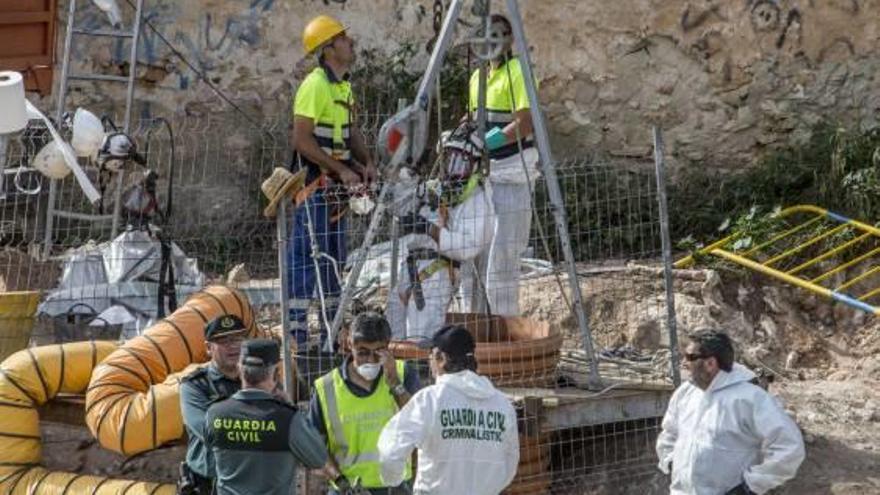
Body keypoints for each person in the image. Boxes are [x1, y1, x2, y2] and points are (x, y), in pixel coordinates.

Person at [289, 14, 377, 350]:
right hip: (314, 187)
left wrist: (366, 162)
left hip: (335, 190)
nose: (350, 42)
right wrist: (340, 170)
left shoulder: (342, 86)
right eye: (342, 38)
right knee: (306, 260)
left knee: (331, 262)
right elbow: (302, 141)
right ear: (328, 48)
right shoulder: (314, 86)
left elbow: (349, 133)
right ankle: (297, 339)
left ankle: (331, 335)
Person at [655, 329, 805, 495]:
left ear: (710, 363)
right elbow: (669, 432)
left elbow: (789, 447)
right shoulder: (685, 393)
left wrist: (750, 487)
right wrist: (670, 462)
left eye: (690, 357)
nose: (684, 362)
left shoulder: (750, 399)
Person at [378, 324, 519, 495]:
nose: (429, 363)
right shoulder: (502, 405)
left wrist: (394, 480)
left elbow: (390, 450)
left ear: (441, 358)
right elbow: (510, 463)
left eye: (430, 356)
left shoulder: (430, 400)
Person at [387, 122, 495, 340]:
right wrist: (409, 175)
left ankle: (420, 373)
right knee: (392, 332)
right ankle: (396, 371)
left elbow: (468, 247)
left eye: (460, 163)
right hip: (409, 266)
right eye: (449, 160)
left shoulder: (477, 200)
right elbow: (397, 205)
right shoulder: (434, 188)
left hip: (436, 272)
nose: (453, 169)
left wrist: (430, 230)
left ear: (475, 165)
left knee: (420, 337)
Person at [461, 14, 539, 317]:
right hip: (480, 176)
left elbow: (524, 124)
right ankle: (473, 322)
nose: (493, 42)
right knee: (473, 253)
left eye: (499, 35)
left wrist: (489, 143)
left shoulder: (518, 71)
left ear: (510, 39)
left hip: (511, 172)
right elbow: (472, 119)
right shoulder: (477, 77)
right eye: (487, 35)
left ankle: (504, 324)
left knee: (504, 254)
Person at [310, 312, 420, 494]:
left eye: (378, 353)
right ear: (349, 344)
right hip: (347, 489)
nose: (370, 360)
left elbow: (419, 424)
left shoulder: (402, 374)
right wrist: (341, 482)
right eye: (362, 353)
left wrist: (394, 383)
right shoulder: (326, 388)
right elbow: (315, 447)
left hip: (395, 488)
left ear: (388, 347)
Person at [204, 339, 329, 495]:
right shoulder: (288, 419)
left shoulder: (214, 413)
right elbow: (318, 458)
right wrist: (292, 408)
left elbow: (209, 462)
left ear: (240, 369)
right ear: (276, 374)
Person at [178, 314, 248, 494]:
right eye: (224, 341)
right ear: (209, 348)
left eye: (238, 339)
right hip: (207, 483)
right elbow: (210, 433)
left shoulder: (258, 380)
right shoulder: (194, 386)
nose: (233, 346)